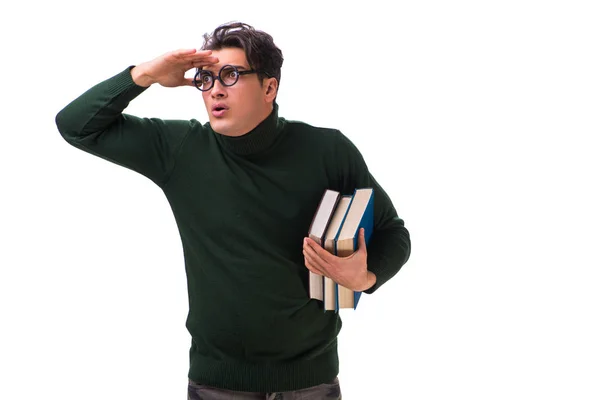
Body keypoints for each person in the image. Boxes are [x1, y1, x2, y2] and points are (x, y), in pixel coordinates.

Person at [55, 21, 411, 400]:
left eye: (231, 75)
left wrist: (366, 278)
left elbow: (393, 232)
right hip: (218, 385)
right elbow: (76, 126)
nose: (215, 89)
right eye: (205, 79)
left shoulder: (327, 150)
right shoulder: (180, 149)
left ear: (269, 87)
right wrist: (144, 74)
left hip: (311, 382)